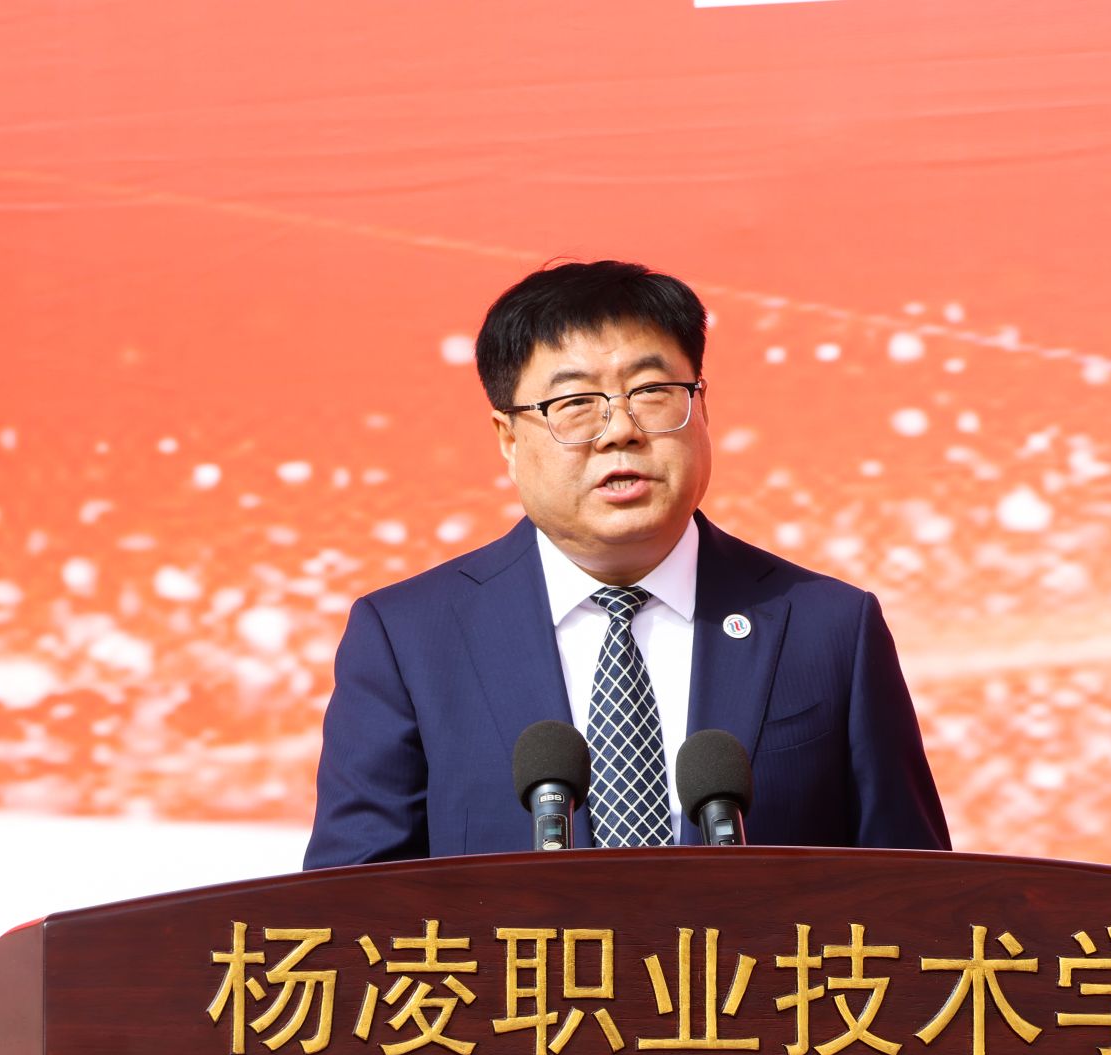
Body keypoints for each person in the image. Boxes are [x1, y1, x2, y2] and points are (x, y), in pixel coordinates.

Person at [303, 260, 948, 867]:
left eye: (652, 392)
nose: (620, 429)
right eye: (574, 403)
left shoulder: (829, 628)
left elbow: (916, 896)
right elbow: (348, 910)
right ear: (508, 439)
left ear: (701, 408)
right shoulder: (409, 639)